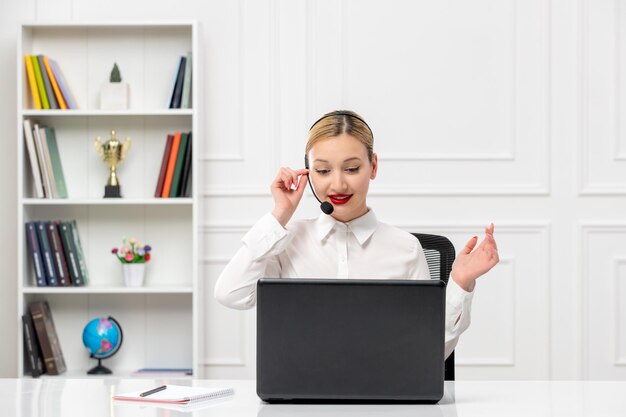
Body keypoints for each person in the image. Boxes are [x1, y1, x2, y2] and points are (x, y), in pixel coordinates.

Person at [214, 110, 499, 359]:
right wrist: (280, 215)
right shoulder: (285, 241)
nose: (337, 184)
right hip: (300, 398)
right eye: (323, 170)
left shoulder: (406, 249)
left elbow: (429, 350)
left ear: (373, 166)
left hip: (382, 397)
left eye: (351, 168)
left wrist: (461, 282)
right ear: (308, 174)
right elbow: (230, 295)